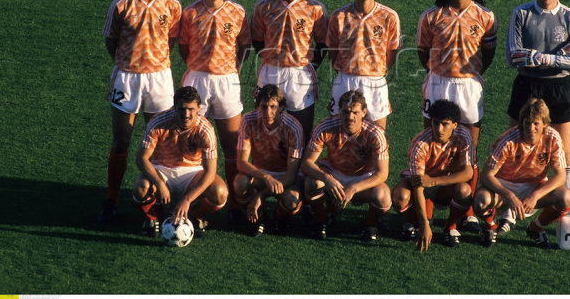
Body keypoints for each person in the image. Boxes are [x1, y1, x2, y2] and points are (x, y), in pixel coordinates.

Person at [503, 0, 570, 232]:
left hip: (559, 87)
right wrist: (544, 58)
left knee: (564, 154)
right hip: (527, 85)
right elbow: (513, 56)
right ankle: (509, 212)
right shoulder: (521, 14)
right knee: (516, 149)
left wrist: (547, 59)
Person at [99, 0, 182, 223]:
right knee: (121, 140)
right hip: (127, 78)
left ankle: (157, 199)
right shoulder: (121, 5)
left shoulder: (172, 5)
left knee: (161, 143)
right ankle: (111, 199)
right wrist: (127, 63)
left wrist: (154, 62)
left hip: (159, 78)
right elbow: (111, 41)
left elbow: (171, 40)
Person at [415, 0, 497, 232]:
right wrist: (440, 71)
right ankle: (426, 211)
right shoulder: (431, 16)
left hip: (469, 86)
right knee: (432, 145)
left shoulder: (485, 17)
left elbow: (488, 53)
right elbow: (423, 53)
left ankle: (466, 213)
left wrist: (472, 73)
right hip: (438, 83)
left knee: (469, 149)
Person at [178, 0, 251, 216]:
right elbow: (183, 47)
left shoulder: (238, 12)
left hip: (227, 81)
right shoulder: (190, 12)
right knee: (191, 143)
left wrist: (229, 69)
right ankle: (194, 199)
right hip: (197, 79)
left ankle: (235, 204)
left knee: (232, 145)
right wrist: (199, 66)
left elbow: (244, 47)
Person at [474, 98, 570, 249]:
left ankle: (536, 228)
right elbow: (486, 175)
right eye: (527, 123)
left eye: (536, 123)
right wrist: (510, 196)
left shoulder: (552, 138)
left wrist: (535, 196)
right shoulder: (508, 141)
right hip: (504, 188)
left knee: (566, 198)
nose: (531, 128)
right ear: (521, 123)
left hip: (534, 188)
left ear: (545, 124)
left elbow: (561, 176)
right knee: (481, 201)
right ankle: (491, 226)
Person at [131, 86, 228, 238]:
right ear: (175, 107)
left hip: (192, 173)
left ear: (199, 108)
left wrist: (187, 200)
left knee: (220, 193)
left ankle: (194, 216)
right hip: (161, 170)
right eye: (182, 109)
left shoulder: (205, 130)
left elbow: (210, 172)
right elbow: (141, 159)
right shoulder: (158, 122)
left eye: (191, 109)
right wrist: (159, 183)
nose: (186, 114)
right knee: (141, 188)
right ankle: (153, 218)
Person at [251, 0, 328, 142]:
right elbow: (257, 40)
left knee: (301, 135)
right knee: (263, 135)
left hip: (300, 74)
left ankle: (299, 163)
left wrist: (310, 67)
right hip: (270, 73)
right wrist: (272, 59)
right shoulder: (263, 7)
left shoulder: (315, 8)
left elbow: (323, 43)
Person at [301, 90, 391, 242]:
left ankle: (370, 224)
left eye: (355, 112)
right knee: (312, 184)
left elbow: (382, 174)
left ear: (364, 112)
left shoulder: (375, 134)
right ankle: (322, 219)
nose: (350, 117)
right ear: (339, 111)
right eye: (346, 112)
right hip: (333, 173)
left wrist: (354, 188)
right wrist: (327, 179)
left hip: (362, 177)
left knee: (383, 196)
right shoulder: (325, 126)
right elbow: (306, 163)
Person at [326, 0, 402, 129]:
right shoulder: (339, 16)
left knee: (377, 134)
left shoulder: (389, 17)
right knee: (338, 135)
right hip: (345, 79)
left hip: (375, 82)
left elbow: (393, 51)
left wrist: (378, 71)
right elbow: (332, 50)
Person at [392, 100, 474, 251]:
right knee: (400, 198)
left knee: (465, 191)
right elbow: (418, 186)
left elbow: (468, 173)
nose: (439, 129)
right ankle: (416, 222)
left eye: (445, 124)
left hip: (443, 185)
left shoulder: (464, 136)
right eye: (435, 123)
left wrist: (435, 181)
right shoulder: (420, 143)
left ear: (455, 125)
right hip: (422, 184)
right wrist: (424, 224)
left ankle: (450, 227)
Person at [233, 84, 305, 236]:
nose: (268, 112)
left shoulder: (294, 127)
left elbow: (292, 175)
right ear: (258, 106)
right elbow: (241, 163)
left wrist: (261, 195)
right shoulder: (248, 120)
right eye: (264, 106)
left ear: (281, 107)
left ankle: (280, 216)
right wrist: (266, 177)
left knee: (292, 199)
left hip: (285, 176)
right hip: (260, 174)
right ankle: (259, 217)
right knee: (240, 183)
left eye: (273, 107)